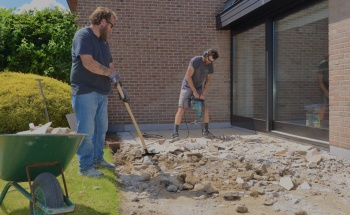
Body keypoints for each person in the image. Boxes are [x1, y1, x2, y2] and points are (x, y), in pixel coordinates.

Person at [70, 7, 128, 177]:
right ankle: (85, 167)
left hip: (102, 92)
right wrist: (111, 74)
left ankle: (97, 159)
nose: (112, 29)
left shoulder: (104, 42)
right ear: (103, 22)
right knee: (87, 131)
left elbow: (110, 65)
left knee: (101, 130)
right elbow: (88, 63)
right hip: (86, 90)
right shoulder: (83, 35)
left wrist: (120, 85)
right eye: (112, 25)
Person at [172, 49, 219, 140]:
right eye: (209, 60)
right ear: (205, 55)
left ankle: (205, 131)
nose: (209, 62)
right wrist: (194, 91)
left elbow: (208, 80)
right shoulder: (195, 61)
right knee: (181, 108)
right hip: (187, 86)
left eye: (211, 61)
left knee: (205, 108)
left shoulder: (210, 65)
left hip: (198, 87)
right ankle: (175, 133)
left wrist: (203, 93)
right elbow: (188, 77)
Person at [317, 55, 329, 123]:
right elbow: (319, 79)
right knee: (323, 106)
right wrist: (325, 91)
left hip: (333, 85)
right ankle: (319, 123)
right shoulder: (323, 64)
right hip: (325, 85)